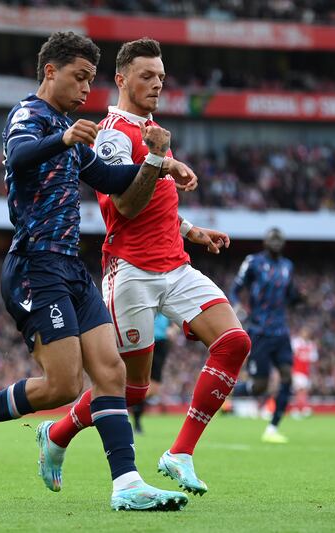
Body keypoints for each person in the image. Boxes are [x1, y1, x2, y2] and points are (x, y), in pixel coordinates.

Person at [0, 31, 197, 511]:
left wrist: (161, 162)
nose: (87, 89)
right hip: (34, 265)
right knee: (64, 385)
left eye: (91, 78)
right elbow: (20, 157)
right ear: (51, 71)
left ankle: (126, 484)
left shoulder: (71, 132)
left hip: (70, 266)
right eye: (79, 77)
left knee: (111, 373)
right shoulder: (30, 116)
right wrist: (62, 137)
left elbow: (112, 178)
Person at [37, 37, 251, 497]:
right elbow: (127, 207)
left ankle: (180, 453)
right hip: (131, 271)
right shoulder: (114, 133)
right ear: (121, 79)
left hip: (174, 265)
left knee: (234, 342)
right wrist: (159, 157)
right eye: (147, 76)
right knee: (133, 390)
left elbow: (156, 205)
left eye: (161, 77)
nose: (157, 84)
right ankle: (55, 435)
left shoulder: (151, 130)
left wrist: (191, 230)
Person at [231, 227, 303, 444]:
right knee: (260, 386)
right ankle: (226, 392)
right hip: (259, 330)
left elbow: (290, 296)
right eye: (272, 238)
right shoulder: (253, 262)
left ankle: (272, 427)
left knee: (287, 377)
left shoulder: (287, 266)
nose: (276, 242)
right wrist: (237, 306)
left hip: (280, 331)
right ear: (265, 241)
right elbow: (236, 288)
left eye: (280, 239)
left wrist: (301, 298)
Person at [131, 313, 174, 434]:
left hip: (161, 344)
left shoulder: (166, 306)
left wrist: (173, 329)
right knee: (142, 382)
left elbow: (178, 320)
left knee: (154, 389)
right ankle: (136, 421)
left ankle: (129, 401)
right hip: (146, 343)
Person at [290, 326, 318, 419]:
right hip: (297, 370)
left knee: (304, 391)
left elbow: (313, 359)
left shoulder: (311, 345)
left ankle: (301, 408)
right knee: (299, 390)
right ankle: (298, 409)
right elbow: (292, 354)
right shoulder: (296, 342)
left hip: (305, 371)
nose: (305, 334)